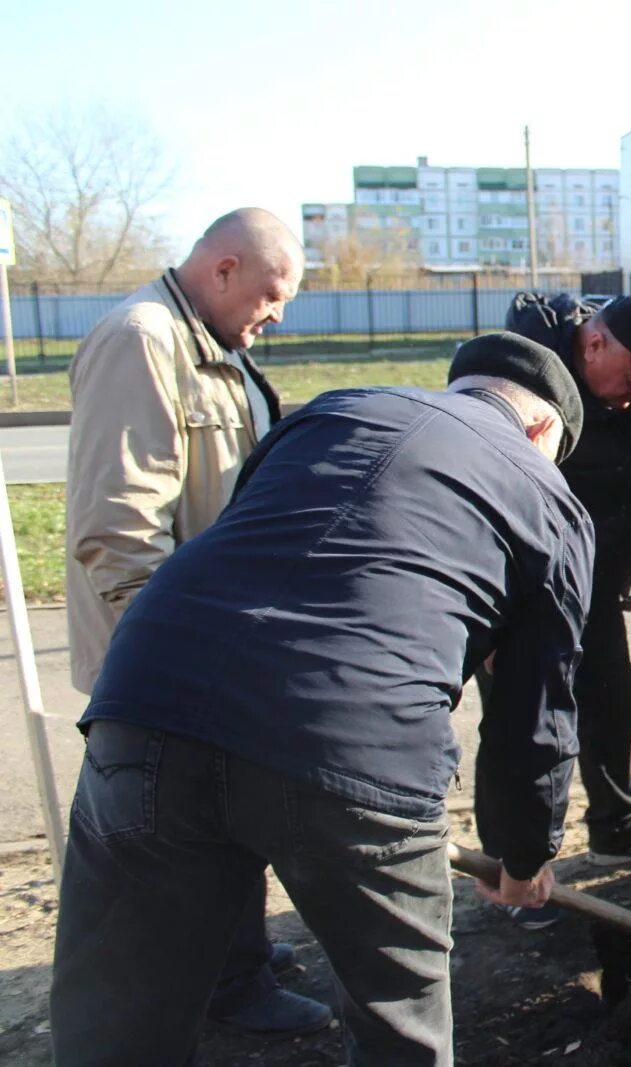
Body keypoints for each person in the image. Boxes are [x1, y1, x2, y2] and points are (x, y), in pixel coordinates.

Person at [51, 333, 594, 1065]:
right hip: (353, 743)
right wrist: (524, 854)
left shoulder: (333, 411)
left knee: (116, 1024)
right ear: (539, 431)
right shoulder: (549, 497)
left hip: (147, 699)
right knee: (397, 1025)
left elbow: (260, 544)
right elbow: (536, 712)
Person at [62, 208, 330, 1036]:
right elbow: (118, 525)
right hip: (167, 659)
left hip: (212, 644)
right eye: (271, 293)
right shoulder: (143, 340)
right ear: (222, 268)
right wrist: (169, 659)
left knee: (223, 809)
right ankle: (225, 985)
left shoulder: (218, 351)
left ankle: (234, 954)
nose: (277, 313)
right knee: (174, 829)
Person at [495, 289, 631, 887]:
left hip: (597, 569)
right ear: (596, 343)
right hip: (522, 580)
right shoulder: (528, 372)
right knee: (524, 724)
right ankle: (514, 870)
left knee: (612, 698)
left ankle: (618, 830)